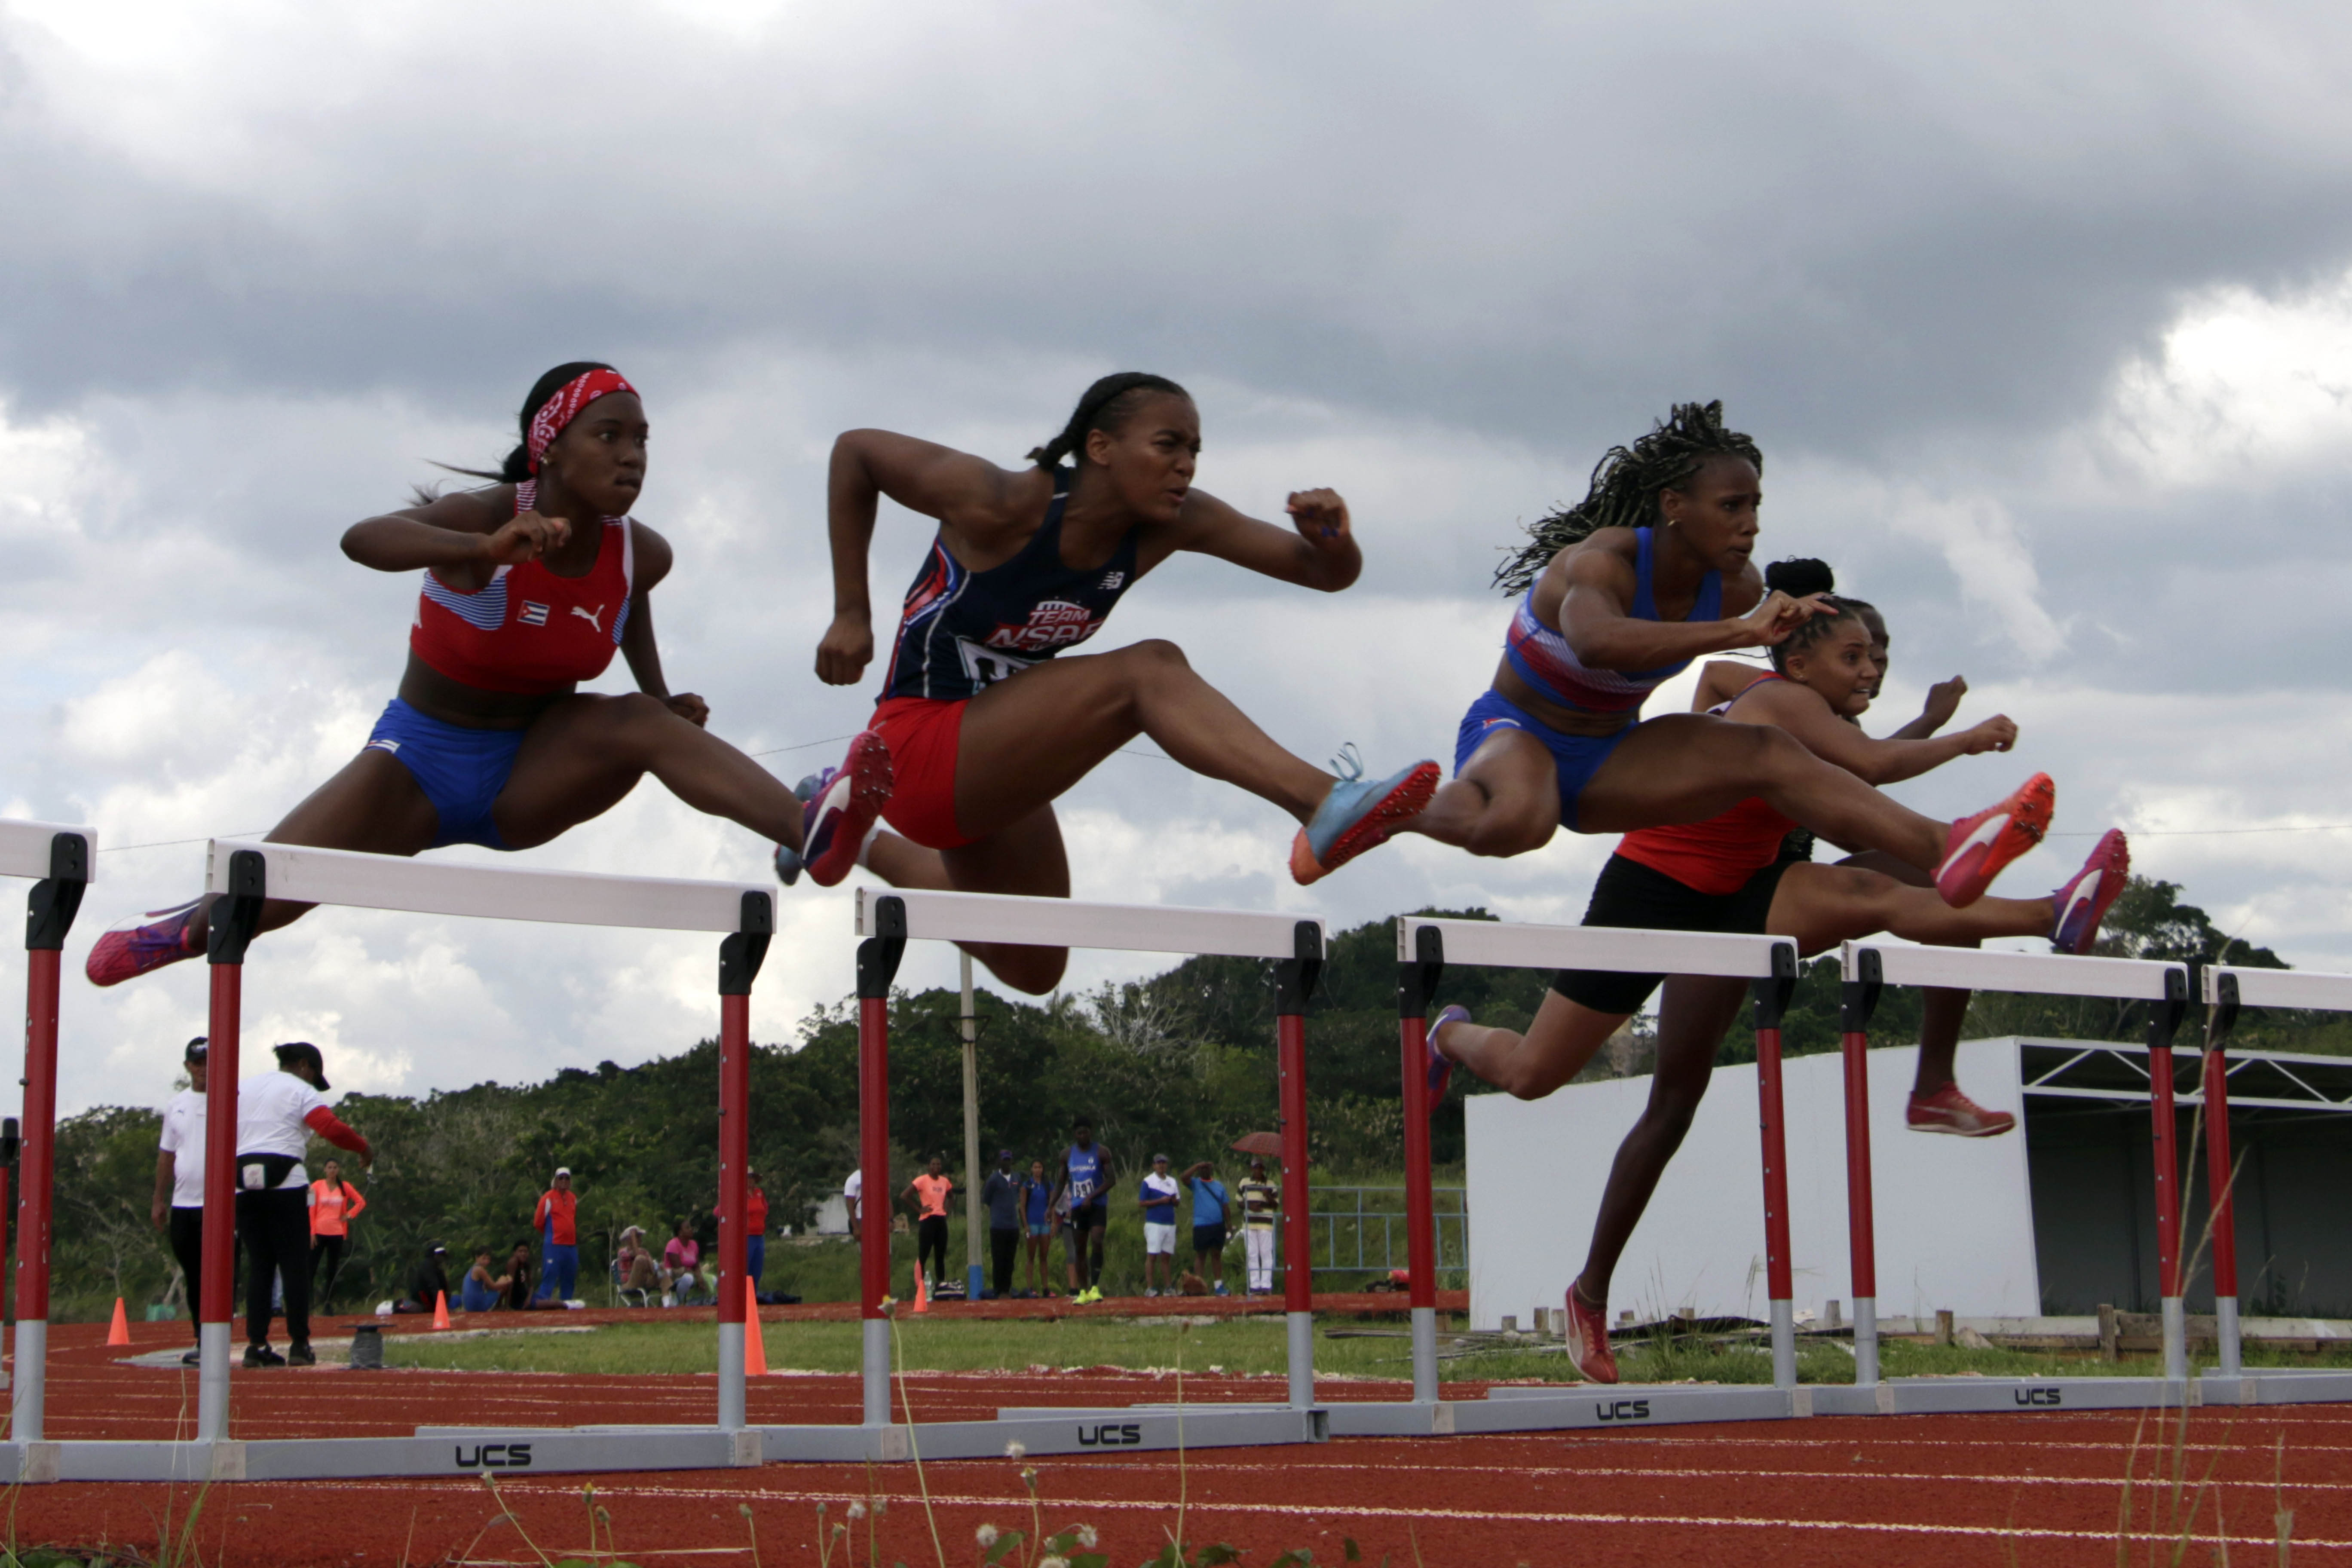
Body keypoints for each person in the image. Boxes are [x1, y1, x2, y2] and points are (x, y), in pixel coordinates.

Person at [1430, 588, 2131, 1384]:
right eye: (1854, 657)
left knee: (1889, 888)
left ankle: (2029, 946)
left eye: (1879, 658)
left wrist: (1725, 715)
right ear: (1798, 663)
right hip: (1654, 891)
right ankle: (1454, 1043)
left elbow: (1814, 749)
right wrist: (1960, 736)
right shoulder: (1781, 700)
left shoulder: (1782, 703)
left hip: (1748, 892)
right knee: (1555, 1078)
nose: (1871, 672)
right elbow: (1867, 765)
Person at [86, 361, 891, 988]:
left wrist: (658, 694)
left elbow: (626, 605)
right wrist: (479, 550)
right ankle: (182, 929)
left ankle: (807, 831)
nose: (632, 456)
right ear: (550, 447)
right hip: (417, 765)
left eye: (643, 440)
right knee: (259, 899)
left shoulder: (642, 552)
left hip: (530, 771)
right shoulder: (489, 518)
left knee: (640, 724)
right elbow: (361, 539)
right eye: (610, 436)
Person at [808, 373, 1437, 995]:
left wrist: (1334, 542)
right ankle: (1322, 804)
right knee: (1148, 670)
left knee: (1035, 964)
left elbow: (1324, 573)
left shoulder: (1176, 521)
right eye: (1168, 445)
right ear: (1101, 447)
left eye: (1195, 450)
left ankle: (850, 831)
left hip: (997, 758)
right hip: (913, 747)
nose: (1186, 465)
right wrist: (851, 612)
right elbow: (856, 452)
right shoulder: (1001, 501)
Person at [1398, 401, 2057, 916]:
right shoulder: (1604, 560)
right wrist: (1740, 632)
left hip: (1608, 759)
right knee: (1521, 820)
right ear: (1675, 507)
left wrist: (1757, 632)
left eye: (1756, 506)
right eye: (1732, 507)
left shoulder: (1737, 589)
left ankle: (1950, 847)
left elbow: (1829, 739)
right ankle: (1385, 806)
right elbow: (1598, 642)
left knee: (1769, 751)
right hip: (1515, 733)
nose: (1751, 524)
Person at [235, 1042, 371, 1366]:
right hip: (286, 1178)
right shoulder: (300, 1090)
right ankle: (299, 1344)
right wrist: (363, 1148)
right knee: (294, 1264)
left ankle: (256, 1345)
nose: (313, 1083)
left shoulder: (245, 1088)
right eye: (314, 1076)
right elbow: (330, 1128)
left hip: (242, 1179)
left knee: (260, 1265)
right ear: (305, 1066)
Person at [149, 1037, 210, 1365]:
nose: (204, 1069)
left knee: (217, 1273)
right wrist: (159, 1199)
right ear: (188, 1066)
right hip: (184, 1204)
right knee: (193, 1273)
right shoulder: (177, 1105)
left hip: (218, 1205)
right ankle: (202, 1336)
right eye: (198, 1063)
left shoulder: (233, 1100)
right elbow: (167, 1154)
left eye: (209, 1062)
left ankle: (214, 1337)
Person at [1057, 1120, 1109, 1303]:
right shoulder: (1067, 1155)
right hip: (1078, 1207)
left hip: (1097, 1205)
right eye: (1079, 1133)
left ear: (1090, 1133)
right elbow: (1060, 1182)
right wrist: (1050, 1206)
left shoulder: (1101, 1152)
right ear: (1075, 1135)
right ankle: (1083, 1291)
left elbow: (1111, 1179)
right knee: (1080, 1249)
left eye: (1085, 1132)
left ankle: (1095, 1287)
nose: (1082, 1136)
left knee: (1097, 1239)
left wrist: (1092, 1197)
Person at [308, 1157, 367, 1315]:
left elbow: (361, 1202)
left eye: (335, 1167)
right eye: (330, 1167)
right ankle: (307, 1303)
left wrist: (349, 1214)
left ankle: (328, 1303)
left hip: (337, 1233)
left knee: (332, 1270)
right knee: (311, 1268)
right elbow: (311, 1209)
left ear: (338, 1170)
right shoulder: (316, 1186)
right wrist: (312, 1232)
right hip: (319, 1232)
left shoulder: (345, 1187)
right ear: (325, 1170)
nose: (332, 1170)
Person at [903, 1155, 956, 1297]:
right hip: (928, 1220)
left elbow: (951, 1197)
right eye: (933, 1164)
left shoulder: (944, 1181)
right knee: (924, 1254)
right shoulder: (922, 1180)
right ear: (929, 1166)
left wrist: (946, 1210)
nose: (936, 1167)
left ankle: (941, 1287)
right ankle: (920, 1287)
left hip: (941, 1219)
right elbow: (905, 1196)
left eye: (938, 1165)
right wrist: (919, 1209)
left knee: (940, 1255)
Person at [1181, 1161, 1232, 1297]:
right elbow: (1184, 1177)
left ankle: (1219, 1286)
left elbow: (1226, 1206)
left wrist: (1229, 1224)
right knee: (1201, 1255)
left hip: (1218, 1225)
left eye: (1206, 1168)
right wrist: (1197, 1166)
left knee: (1216, 1255)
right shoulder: (1196, 1184)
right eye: (1202, 1169)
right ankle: (1198, 1286)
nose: (1204, 1170)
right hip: (1201, 1225)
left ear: (1211, 1170)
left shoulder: (1219, 1186)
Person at [982, 1150, 1024, 1300]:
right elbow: (986, 1199)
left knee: (1010, 1259)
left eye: (1009, 1160)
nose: (1007, 1163)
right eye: (1004, 1160)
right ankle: (998, 1289)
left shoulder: (1016, 1178)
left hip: (1013, 1225)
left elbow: (1019, 1195)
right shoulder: (994, 1179)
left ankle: (1007, 1289)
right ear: (1000, 1162)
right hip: (998, 1225)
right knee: (998, 1258)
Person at [533, 1167, 579, 1305]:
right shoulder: (548, 1198)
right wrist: (551, 1235)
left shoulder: (573, 1198)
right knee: (550, 1277)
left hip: (571, 1246)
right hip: (554, 1245)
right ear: (556, 1180)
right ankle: (542, 1305)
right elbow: (538, 1222)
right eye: (561, 1178)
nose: (564, 1181)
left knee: (569, 1278)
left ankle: (567, 1305)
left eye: (567, 1178)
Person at [1235, 1158, 1280, 1297]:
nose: (1258, 1170)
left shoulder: (1270, 1184)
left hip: (1265, 1223)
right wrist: (1250, 1206)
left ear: (1263, 1169)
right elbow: (1239, 1201)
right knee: (1252, 1254)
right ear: (1252, 1169)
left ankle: (1266, 1285)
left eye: (1260, 1168)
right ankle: (1255, 1286)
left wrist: (1268, 1196)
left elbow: (1276, 1205)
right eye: (1255, 1168)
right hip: (1250, 1223)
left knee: (1266, 1253)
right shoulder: (1245, 1182)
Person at [1138, 1154, 1181, 1297]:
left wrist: (1173, 1201)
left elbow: (1177, 1202)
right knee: (1152, 1255)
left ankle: (1168, 1287)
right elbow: (1142, 1202)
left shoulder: (1172, 1182)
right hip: (1154, 1223)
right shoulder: (1148, 1181)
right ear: (1154, 1165)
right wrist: (1160, 1201)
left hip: (1169, 1223)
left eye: (1164, 1163)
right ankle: (1150, 1287)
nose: (1161, 1166)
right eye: (1159, 1163)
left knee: (1166, 1256)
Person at [1020, 1158, 1055, 1298]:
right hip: (1032, 1223)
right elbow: (1022, 1206)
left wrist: (1054, 1223)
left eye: (1040, 1167)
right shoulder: (1027, 1185)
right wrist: (1026, 1225)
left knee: (1044, 1257)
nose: (1038, 1170)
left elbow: (1052, 1205)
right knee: (1031, 1256)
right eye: (1035, 1167)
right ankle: (1030, 1288)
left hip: (1045, 1223)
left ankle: (1046, 1288)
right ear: (1031, 1169)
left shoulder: (1048, 1185)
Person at [663, 1216, 705, 1305]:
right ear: (680, 1233)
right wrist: (696, 1275)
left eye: (691, 1227)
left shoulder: (694, 1244)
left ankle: (705, 1301)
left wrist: (700, 1277)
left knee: (713, 1280)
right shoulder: (673, 1244)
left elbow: (697, 1266)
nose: (691, 1229)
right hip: (674, 1276)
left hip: (691, 1273)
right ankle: (679, 1302)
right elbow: (678, 1267)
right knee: (688, 1278)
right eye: (688, 1228)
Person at [615, 1225, 662, 1302]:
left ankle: (667, 1302)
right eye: (638, 1237)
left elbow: (653, 1270)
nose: (640, 1239)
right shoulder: (622, 1252)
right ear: (630, 1240)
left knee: (663, 1270)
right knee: (640, 1259)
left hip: (645, 1281)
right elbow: (638, 1256)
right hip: (629, 1284)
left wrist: (658, 1268)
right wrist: (633, 1237)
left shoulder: (644, 1252)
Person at [402, 1243, 452, 1315]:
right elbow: (434, 1287)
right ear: (435, 1255)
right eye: (441, 1255)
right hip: (423, 1304)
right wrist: (441, 1308)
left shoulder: (437, 1268)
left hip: (430, 1303)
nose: (442, 1258)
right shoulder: (428, 1266)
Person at [745, 1170, 770, 1297]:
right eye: (748, 1178)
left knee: (757, 1269)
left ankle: (753, 1296)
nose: (750, 1181)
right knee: (746, 1268)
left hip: (759, 1235)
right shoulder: (740, 1194)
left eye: (752, 1178)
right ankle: (743, 1297)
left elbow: (765, 1209)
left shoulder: (759, 1193)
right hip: (747, 1236)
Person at [459, 1247, 505, 1314]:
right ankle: (500, 1307)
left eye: (488, 1259)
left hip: (468, 1306)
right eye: (484, 1258)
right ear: (477, 1258)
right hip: (477, 1306)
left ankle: (497, 1306)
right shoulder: (479, 1269)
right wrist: (509, 1281)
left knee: (501, 1283)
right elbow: (494, 1286)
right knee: (504, 1279)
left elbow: (487, 1287)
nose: (486, 1261)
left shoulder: (473, 1269)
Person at [502, 1242, 540, 1311]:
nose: (523, 1254)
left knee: (552, 1302)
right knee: (554, 1304)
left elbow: (531, 1286)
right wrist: (507, 1305)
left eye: (525, 1251)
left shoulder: (527, 1265)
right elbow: (509, 1285)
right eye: (520, 1251)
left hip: (527, 1297)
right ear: (515, 1253)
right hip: (518, 1301)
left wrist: (528, 1299)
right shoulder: (513, 1262)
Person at [843, 1166, 864, 1240]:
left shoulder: (878, 1176)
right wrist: (856, 1228)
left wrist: (890, 1219)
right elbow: (850, 1204)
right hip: (860, 1219)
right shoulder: (853, 1179)